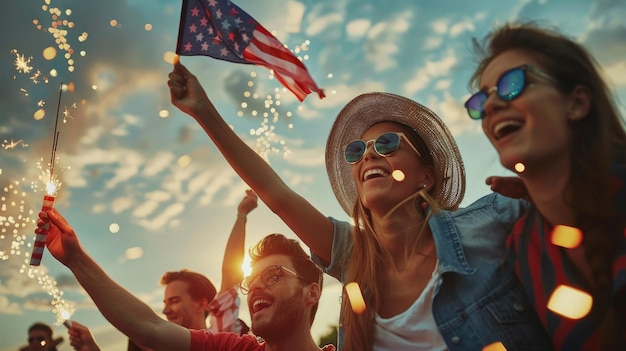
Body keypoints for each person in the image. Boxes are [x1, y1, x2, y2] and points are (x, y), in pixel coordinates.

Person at [168, 63, 553, 350]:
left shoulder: (493, 219)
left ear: (426, 176)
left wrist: (545, 193)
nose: (369, 156)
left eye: (387, 144)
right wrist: (203, 111)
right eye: (358, 151)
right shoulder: (355, 256)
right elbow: (276, 194)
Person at [465, 22, 626, 350]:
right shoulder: (524, 245)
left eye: (513, 83)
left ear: (576, 103)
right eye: (481, 100)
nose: (492, 106)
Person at [38, 208, 334, 351]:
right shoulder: (232, 348)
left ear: (312, 293)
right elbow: (149, 328)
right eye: (252, 280)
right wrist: (76, 258)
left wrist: (241, 215)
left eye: (273, 276)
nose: (255, 286)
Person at [68, 190, 258, 351]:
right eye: (165, 302)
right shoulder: (148, 345)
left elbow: (230, 272)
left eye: (174, 301)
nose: (166, 310)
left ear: (202, 304)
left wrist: (242, 215)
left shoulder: (222, 336)